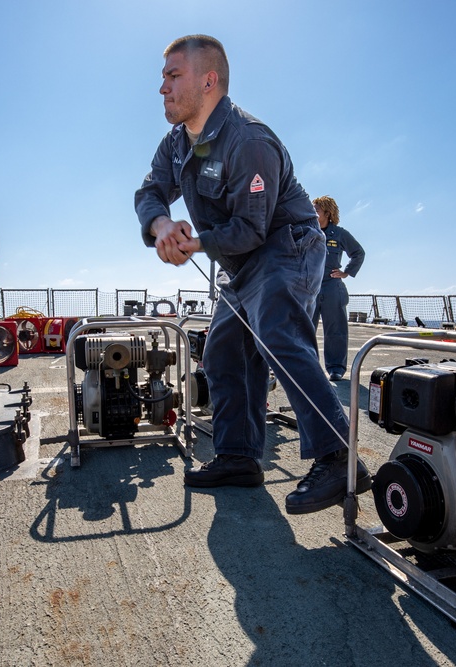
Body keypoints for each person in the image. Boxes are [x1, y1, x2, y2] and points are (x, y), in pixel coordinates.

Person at [134, 34, 371, 515]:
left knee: (277, 333)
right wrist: (162, 225)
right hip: (242, 261)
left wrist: (192, 242)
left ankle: (339, 457)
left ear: (208, 80)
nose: (162, 87)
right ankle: (240, 457)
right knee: (222, 351)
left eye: (172, 75)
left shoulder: (248, 139)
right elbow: (148, 191)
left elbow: (250, 228)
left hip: (285, 245)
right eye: (162, 77)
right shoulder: (177, 144)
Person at [311, 196, 365, 382]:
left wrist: (347, 272)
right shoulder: (307, 231)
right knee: (305, 328)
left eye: (316, 210)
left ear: (327, 213)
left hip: (332, 286)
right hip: (310, 287)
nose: (313, 213)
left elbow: (358, 253)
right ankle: (309, 367)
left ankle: (336, 368)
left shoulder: (339, 234)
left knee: (335, 330)